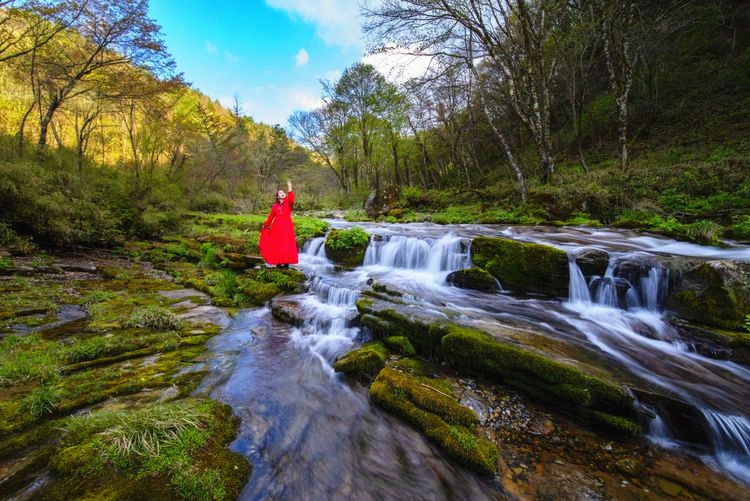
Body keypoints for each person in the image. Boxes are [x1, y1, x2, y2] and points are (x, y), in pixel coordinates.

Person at [259, 180, 298, 268]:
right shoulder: (275, 206)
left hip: (287, 225)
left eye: (283, 192)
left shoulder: (288, 202)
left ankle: (286, 262)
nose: (282, 193)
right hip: (277, 227)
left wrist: (290, 188)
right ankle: (279, 262)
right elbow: (270, 217)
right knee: (278, 244)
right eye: (280, 192)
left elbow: (292, 199)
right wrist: (265, 226)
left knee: (287, 243)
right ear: (277, 196)